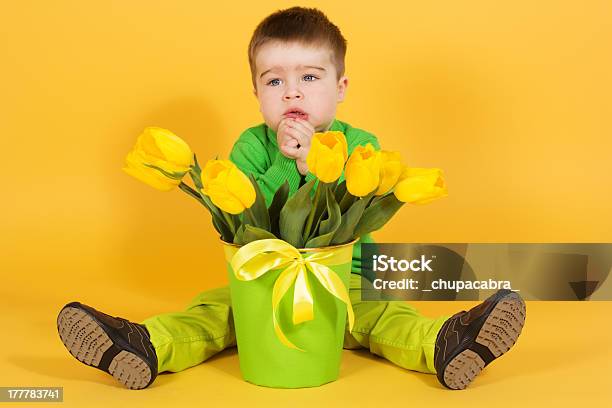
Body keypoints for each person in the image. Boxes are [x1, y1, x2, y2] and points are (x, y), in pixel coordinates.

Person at [57, 6, 526, 391]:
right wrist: (285, 161)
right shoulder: (250, 145)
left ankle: (447, 343)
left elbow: (358, 212)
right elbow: (243, 214)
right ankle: (144, 345)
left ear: (340, 88)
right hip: (264, 289)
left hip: (348, 283)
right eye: (274, 81)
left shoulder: (361, 141)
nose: (292, 92)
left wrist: (312, 166)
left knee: (388, 315)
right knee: (215, 311)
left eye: (311, 77)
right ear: (257, 91)